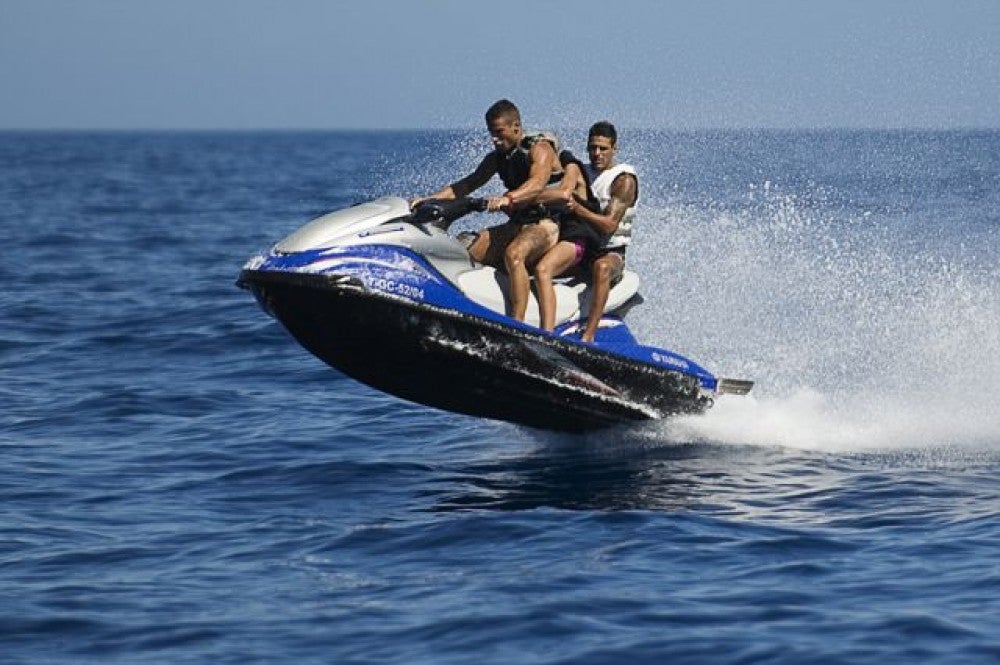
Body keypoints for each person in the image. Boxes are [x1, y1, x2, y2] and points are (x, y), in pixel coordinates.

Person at [410, 99, 564, 322]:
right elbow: (466, 185)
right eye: (491, 133)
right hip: (516, 225)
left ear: (516, 128)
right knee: (466, 252)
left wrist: (507, 198)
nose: (495, 139)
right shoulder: (496, 159)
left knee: (514, 254)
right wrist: (430, 198)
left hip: (546, 226)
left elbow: (537, 183)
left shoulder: (540, 149)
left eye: (499, 133)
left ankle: (517, 325)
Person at [533, 121, 638, 341]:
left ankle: (588, 336)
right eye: (592, 148)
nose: (597, 153)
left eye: (603, 148)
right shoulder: (581, 171)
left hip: (611, 252)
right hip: (583, 249)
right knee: (535, 265)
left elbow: (610, 225)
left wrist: (578, 209)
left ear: (614, 149)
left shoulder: (623, 180)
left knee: (601, 268)